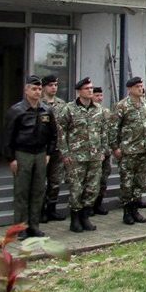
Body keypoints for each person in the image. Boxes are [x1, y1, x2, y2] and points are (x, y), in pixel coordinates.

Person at [4, 75, 58, 240]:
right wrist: (11, 158)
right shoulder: (16, 110)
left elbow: (53, 135)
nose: (37, 92)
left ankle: (34, 226)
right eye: (34, 89)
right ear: (26, 90)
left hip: (40, 154)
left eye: (39, 89)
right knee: (22, 192)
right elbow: (8, 137)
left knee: (38, 191)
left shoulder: (46, 110)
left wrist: (48, 153)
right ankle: (20, 228)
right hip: (23, 154)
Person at [57, 77, 108, 233]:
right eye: (87, 88)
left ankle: (85, 217)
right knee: (76, 188)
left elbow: (103, 131)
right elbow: (61, 132)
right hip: (76, 156)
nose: (90, 90)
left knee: (92, 188)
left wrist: (103, 151)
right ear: (79, 91)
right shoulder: (69, 109)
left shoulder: (98, 109)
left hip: (94, 156)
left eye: (91, 88)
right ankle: (75, 220)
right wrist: (65, 152)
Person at [111, 76, 146, 225]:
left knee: (139, 182)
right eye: (137, 87)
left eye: (141, 86)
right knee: (127, 183)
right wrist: (115, 148)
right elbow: (113, 128)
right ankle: (127, 212)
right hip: (128, 151)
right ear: (130, 89)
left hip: (143, 150)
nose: (141, 89)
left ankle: (135, 210)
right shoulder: (122, 106)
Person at [39, 74, 67, 223]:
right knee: (41, 181)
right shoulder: (38, 103)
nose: (54, 88)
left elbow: (66, 126)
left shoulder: (62, 104)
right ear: (44, 87)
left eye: (56, 85)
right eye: (51, 85)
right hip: (42, 149)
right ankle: (40, 210)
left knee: (55, 181)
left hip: (58, 148)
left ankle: (51, 209)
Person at [91, 87, 111, 216]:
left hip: (105, 151)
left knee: (103, 179)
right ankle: (88, 206)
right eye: (96, 95)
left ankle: (98, 204)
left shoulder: (106, 112)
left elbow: (110, 131)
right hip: (92, 152)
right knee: (91, 180)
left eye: (101, 95)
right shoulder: (88, 112)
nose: (99, 98)